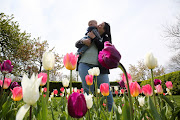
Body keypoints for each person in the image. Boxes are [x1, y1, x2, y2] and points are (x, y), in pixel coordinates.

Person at [75, 21, 113, 112]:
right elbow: (77, 44)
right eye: (99, 24)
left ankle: (111, 112)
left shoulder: (106, 39)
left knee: (106, 90)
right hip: (84, 64)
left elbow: (103, 48)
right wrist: (83, 41)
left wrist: (94, 38)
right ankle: (88, 113)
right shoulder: (90, 34)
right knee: (87, 90)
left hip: (100, 68)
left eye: (101, 25)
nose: (98, 25)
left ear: (104, 30)